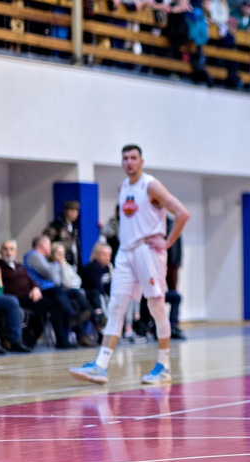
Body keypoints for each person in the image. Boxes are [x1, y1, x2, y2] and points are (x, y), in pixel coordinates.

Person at [69, 144, 190, 385]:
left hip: (148, 252)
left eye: (133, 158)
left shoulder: (151, 185)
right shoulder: (123, 187)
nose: (129, 162)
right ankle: (100, 366)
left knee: (156, 308)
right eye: (125, 158)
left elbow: (182, 213)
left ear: (141, 161)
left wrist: (166, 244)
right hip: (125, 252)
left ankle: (163, 365)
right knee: (116, 306)